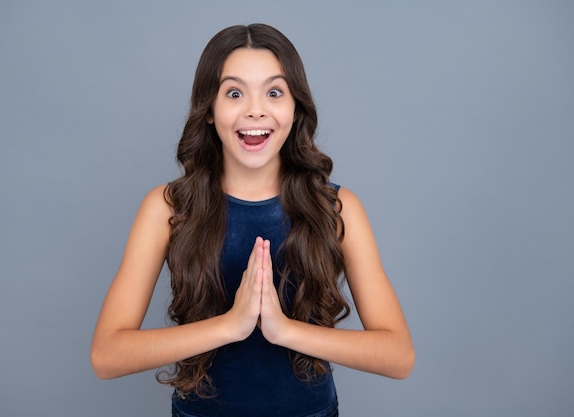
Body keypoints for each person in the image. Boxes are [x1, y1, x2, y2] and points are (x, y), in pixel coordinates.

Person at [90, 23, 414, 417]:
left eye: (274, 92)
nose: (255, 109)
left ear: (295, 109)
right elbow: (106, 355)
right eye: (234, 92)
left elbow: (398, 356)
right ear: (209, 110)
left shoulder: (338, 208)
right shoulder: (167, 208)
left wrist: (284, 331)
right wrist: (231, 325)